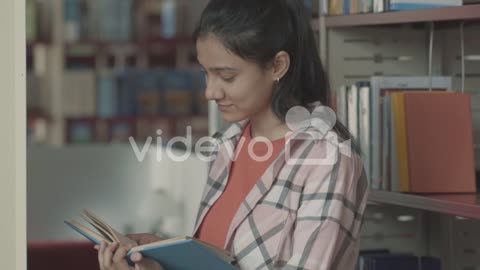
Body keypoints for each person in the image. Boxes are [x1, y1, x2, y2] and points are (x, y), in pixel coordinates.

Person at [95, 0, 369, 269]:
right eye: (205, 73)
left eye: (226, 76)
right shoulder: (226, 145)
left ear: (277, 66)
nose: (210, 92)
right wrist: (162, 260)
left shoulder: (328, 159)